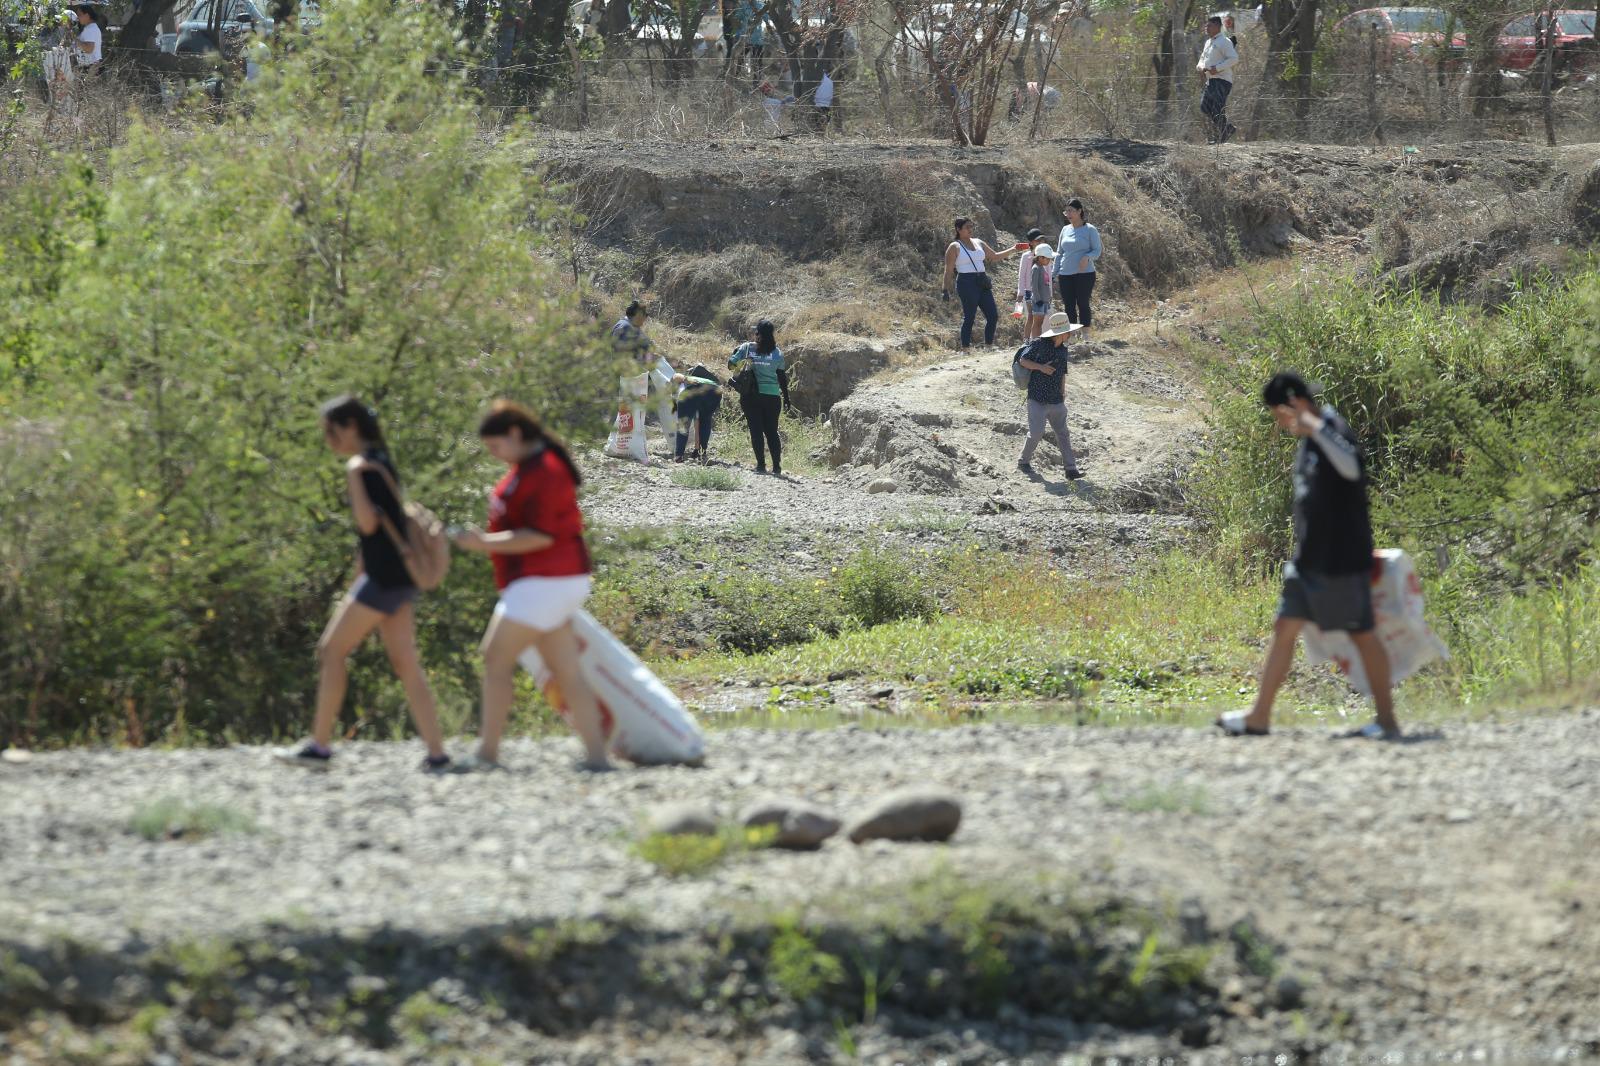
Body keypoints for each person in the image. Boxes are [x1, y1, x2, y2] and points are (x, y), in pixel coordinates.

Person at [1217, 372, 1399, 741]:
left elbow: (1352, 469)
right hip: (1308, 562)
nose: (1279, 424)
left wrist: (1315, 426)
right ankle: (1259, 717)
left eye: (1280, 415)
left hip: (1340, 562)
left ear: (1296, 406)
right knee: (1284, 628)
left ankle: (1387, 720)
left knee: (1363, 635)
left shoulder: (1332, 430)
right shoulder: (1310, 442)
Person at [277, 397, 449, 772]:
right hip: (398, 579)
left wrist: (353, 475)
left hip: (383, 580)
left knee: (331, 650)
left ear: (351, 426)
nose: (329, 439)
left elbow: (368, 526)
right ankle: (437, 754)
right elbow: (382, 531)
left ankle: (319, 747)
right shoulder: (383, 461)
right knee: (406, 664)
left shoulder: (362, 467)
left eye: (331, 430)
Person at [451, 401, 612, 773]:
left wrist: (482, 544)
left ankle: (487, 754)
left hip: (546, 581)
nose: (494, 455)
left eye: (496, 447)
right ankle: (598, 757)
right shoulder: (528, 468)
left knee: (495, 658)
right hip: (549, 582)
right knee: (566, 670)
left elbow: (539, 536)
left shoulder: (545, 471)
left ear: (515, 434)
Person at [1015, 313, 1086, 481]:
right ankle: (1023, 461)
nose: (1070, 334)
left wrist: (1062, 392)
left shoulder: (1063, 350)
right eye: (1068, 331)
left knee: (1063, 433)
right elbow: (1022, 360)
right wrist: (1040, 367)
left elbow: (1062, 373)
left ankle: (1071, 469)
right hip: (1037, 398)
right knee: (1036, 433)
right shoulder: (1039, 344)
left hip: (1056, 400)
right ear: (1061, 333)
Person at [942, 216, 1022, 351]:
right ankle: (965, 348)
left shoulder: (978, 242)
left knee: (993, 315)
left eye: (971, 226)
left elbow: (995, 256)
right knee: (970, 317)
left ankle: (988, 346)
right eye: (967, 227)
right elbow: (948, 270)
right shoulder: (954, 246)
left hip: (982, 280)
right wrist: (945, 289)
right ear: (958, 229)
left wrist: (1013, 249)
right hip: (966, 282)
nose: (970, 229)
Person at [729, 319, 791, 475]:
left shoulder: (746, 348)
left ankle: (761, 466)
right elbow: (782, 377)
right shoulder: (777, 353)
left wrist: (737, 355)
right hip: (772, 397)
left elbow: (731, 365)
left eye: (756, 332)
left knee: (756, 430)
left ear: (758, 334)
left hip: (751, 396)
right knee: (771, 431)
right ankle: (776, 467)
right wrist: (787, 397)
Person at [1055, 198, 1102, 337]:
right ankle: (1072, 335)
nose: (1068, 214)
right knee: (1069, 305)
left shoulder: (1090, 230)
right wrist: (1054, 273)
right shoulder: (1065, 229)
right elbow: (1059, 253)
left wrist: (1087, 257)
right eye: (1066, 211)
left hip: (1085, 273)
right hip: (1065, 274)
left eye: (1071, 211)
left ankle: (1086, 334)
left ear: (1079, 211)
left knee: (1082, 303)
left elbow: (1097, 251)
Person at [1198, 14, 1239, 144]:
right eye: (1206, 25)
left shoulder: (1225, 41)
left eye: (1209, 25)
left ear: (1217, 26)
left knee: (1217, 108)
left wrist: (1218, 68)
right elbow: (1202, 60)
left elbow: (1234, 59)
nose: (1206, 27)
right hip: (1210, 81)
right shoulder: (1208, 42)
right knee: (1204, 107)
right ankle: (1227, 129)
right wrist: (1200, 67)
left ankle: (1222, 136)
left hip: (1222, 80)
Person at [672, 364, 723, 462]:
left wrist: (682, 378)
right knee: (705, 421)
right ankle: (701, 454)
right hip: (715, 392)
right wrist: (696, 449)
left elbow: (676, 376)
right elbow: (697, 423)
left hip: (691, 392)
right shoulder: (709, 380)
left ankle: (678, 456)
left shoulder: (687, 379)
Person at [1014, 227, 1047, 335]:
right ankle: (1027, 340)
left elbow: (1047, 275)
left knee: (1040, 317)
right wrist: (1020, 294)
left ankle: (1037, 340)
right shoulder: (1026, 256)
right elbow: (1022, 276)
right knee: (1031, 316)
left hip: (1042, 292)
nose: (1041, 242)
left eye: (1042, 240)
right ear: (1031, 243)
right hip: (1029, 291)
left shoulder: (1046, 256)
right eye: (1038, 240)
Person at [1023, 244, 1056, 344]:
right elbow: (1034, 286)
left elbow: (1045, 285)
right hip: (1039, 301)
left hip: (1044, 300)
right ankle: (1035, 342)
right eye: (1048, 258)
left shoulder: (1042, 267)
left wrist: (1048, 297)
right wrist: (1038, 300)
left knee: (1040, 323)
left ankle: (1038, 342)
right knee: (1037, 323)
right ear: (1040, 257)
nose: (1049, 261)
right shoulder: (1036, 268)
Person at [610, 301, 655, 365]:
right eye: (644, 314)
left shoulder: (630, 325)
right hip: (629, 372)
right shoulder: (626, 327)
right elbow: (623, 355)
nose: (645, 318)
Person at [69, 2, 103, 67]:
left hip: (92, 66)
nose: (78, 18)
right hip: (91, 64)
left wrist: (74, 39)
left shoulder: (90, 29)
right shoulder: (91, 28)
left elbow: (89, 49)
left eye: (79, 15)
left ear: (87, 15)